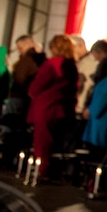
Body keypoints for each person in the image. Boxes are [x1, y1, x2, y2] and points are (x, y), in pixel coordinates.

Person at [27, 34, 78, 176]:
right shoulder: (71, 65)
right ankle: (51, 171)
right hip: (60, 109)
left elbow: (36, 87)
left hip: (45, 108)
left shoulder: (52, 64)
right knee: (54, 143)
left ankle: (40, 171)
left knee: (42, 144)